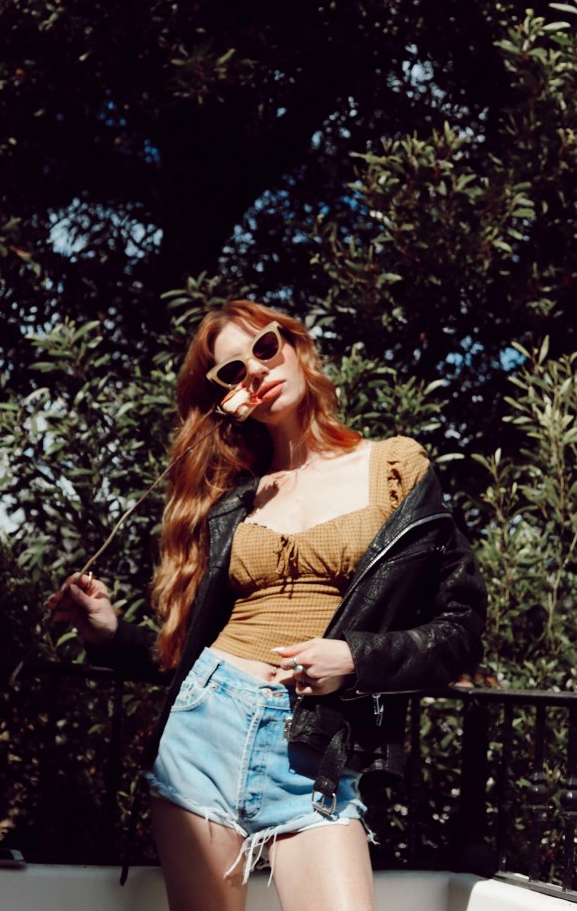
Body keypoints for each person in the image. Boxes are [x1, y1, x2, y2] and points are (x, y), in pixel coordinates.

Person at [49, 300, 487, 911]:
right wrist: (110, 634)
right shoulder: (233, 499)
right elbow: (190, 651)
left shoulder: (394, 467)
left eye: (265, 348)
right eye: (232, 371)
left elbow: (461, 628)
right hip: (203, 732)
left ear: (297, 347)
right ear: (228, 396)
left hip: (314, 746)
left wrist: (355, 658)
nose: (256, 371)